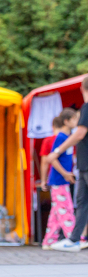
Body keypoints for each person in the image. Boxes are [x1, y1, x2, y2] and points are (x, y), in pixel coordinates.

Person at [50, 77, 88, 252]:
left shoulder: (86, 108)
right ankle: (74, 239)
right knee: (82, 202)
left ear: (82, 88)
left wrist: (57, 151)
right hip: (83, 165)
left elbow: (80, 134)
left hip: (86, 164)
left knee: (82, 202)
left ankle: (74, 240)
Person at [41, 108, 79, 249]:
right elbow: (52, 159)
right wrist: (65, 173)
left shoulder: (68, 137)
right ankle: (73, 239)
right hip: (59, 180)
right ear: (66, 121)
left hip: (62, 180)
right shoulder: (61, 138)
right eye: (74, 119)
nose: (77, 122)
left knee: (56, 213)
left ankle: (49, 241)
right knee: (66, 210)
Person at [39, 117, 62, 192]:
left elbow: (44, 162)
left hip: (54, 177)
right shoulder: (69, 139)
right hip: (69, 175)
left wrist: (43, 180)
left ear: (53, 127)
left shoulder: (48, 140)